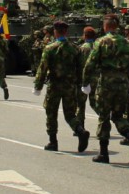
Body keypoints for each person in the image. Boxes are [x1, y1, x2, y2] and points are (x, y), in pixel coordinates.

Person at [82, 15, 129, 163]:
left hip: (106, 84)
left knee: (104, 117)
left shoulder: (101, 42)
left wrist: (85, 83)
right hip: (122, 85)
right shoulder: (127, 43)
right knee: (117, 116)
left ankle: (103, 153)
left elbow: (90, 64)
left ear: (105, 26)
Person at [34, 21, 91, 153]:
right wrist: (82, 83)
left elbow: (43, 68)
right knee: (70, 114)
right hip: (69, 86)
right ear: (66, 32)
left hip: (54, 85)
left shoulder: (50, 48)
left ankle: (53, 141)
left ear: (55, 31)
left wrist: (38, 86)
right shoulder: (75, 48)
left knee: (51, 113)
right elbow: (81, 68)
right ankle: (80, 131)